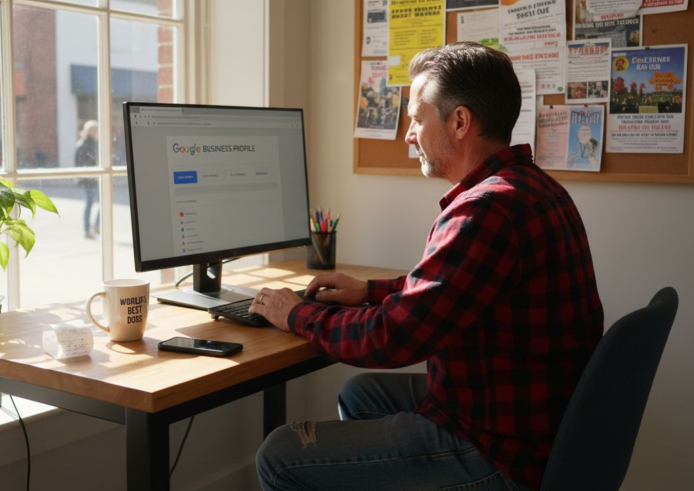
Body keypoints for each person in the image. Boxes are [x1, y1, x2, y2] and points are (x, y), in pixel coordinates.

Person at [250, 43, 604, 491]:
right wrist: (370, 290)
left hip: (500, 451)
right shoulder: (532, 187)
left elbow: (392, 340)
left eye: (417, 119)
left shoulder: (486, 209)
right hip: (527, 417)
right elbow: (458, 289)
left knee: (280, 456)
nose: (408, 134)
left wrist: (294, 313)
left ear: (459, 122)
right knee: (361, 394)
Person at [74, 120, 100, 239]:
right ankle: (92, 228)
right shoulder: (91, 144)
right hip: (91, 179)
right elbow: (91, 162)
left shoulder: (81, 143)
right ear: (93, 131)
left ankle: (90, 228)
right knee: (96, 203)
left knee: (91, 204)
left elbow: (78, 163)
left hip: (86, 180)